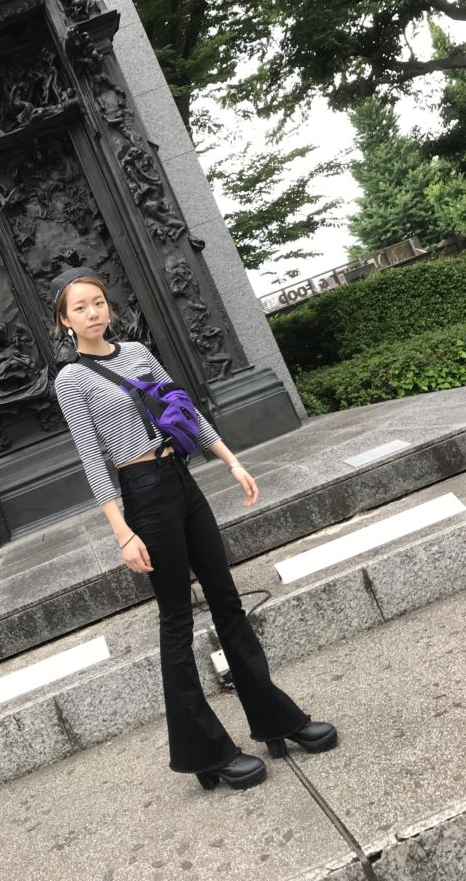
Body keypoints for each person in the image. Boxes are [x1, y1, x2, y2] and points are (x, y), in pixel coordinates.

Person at [52, 266, 337, 791]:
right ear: (65, 321)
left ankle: (277, 721)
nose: (93, 313)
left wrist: (230, 460)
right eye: (80, 308)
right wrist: (122, 532)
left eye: (98, 302)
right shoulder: (71, 380)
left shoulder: (137, 352)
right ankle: (206, 751)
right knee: (177, 621)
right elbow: (93, 459)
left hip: (182, 481)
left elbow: (183, 411)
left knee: (227, 601)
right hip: (142, 493)